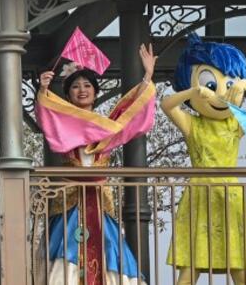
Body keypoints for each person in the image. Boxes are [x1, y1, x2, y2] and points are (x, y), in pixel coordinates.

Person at [34, 46, 157, 285]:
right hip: (70, 200)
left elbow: (130, 110)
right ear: (68, 94)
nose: (82, 90)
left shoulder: (106, 125)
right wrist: (44, 89)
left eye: (87, 86)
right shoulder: (62, 121)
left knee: (109, 249)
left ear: (95, 92)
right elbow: (45, 115)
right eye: (76, 86)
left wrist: (147, 76)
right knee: (65, 250)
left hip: (100, 200)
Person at [163, 33, 246, 285]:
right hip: (200, 194)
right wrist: (192, 90)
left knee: (238, 262)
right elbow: (167, 105)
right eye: (213, 84)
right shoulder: (193, 125)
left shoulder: (235, 124)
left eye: (229, 84)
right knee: (192, 263)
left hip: (229, 195)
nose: (222, 92)